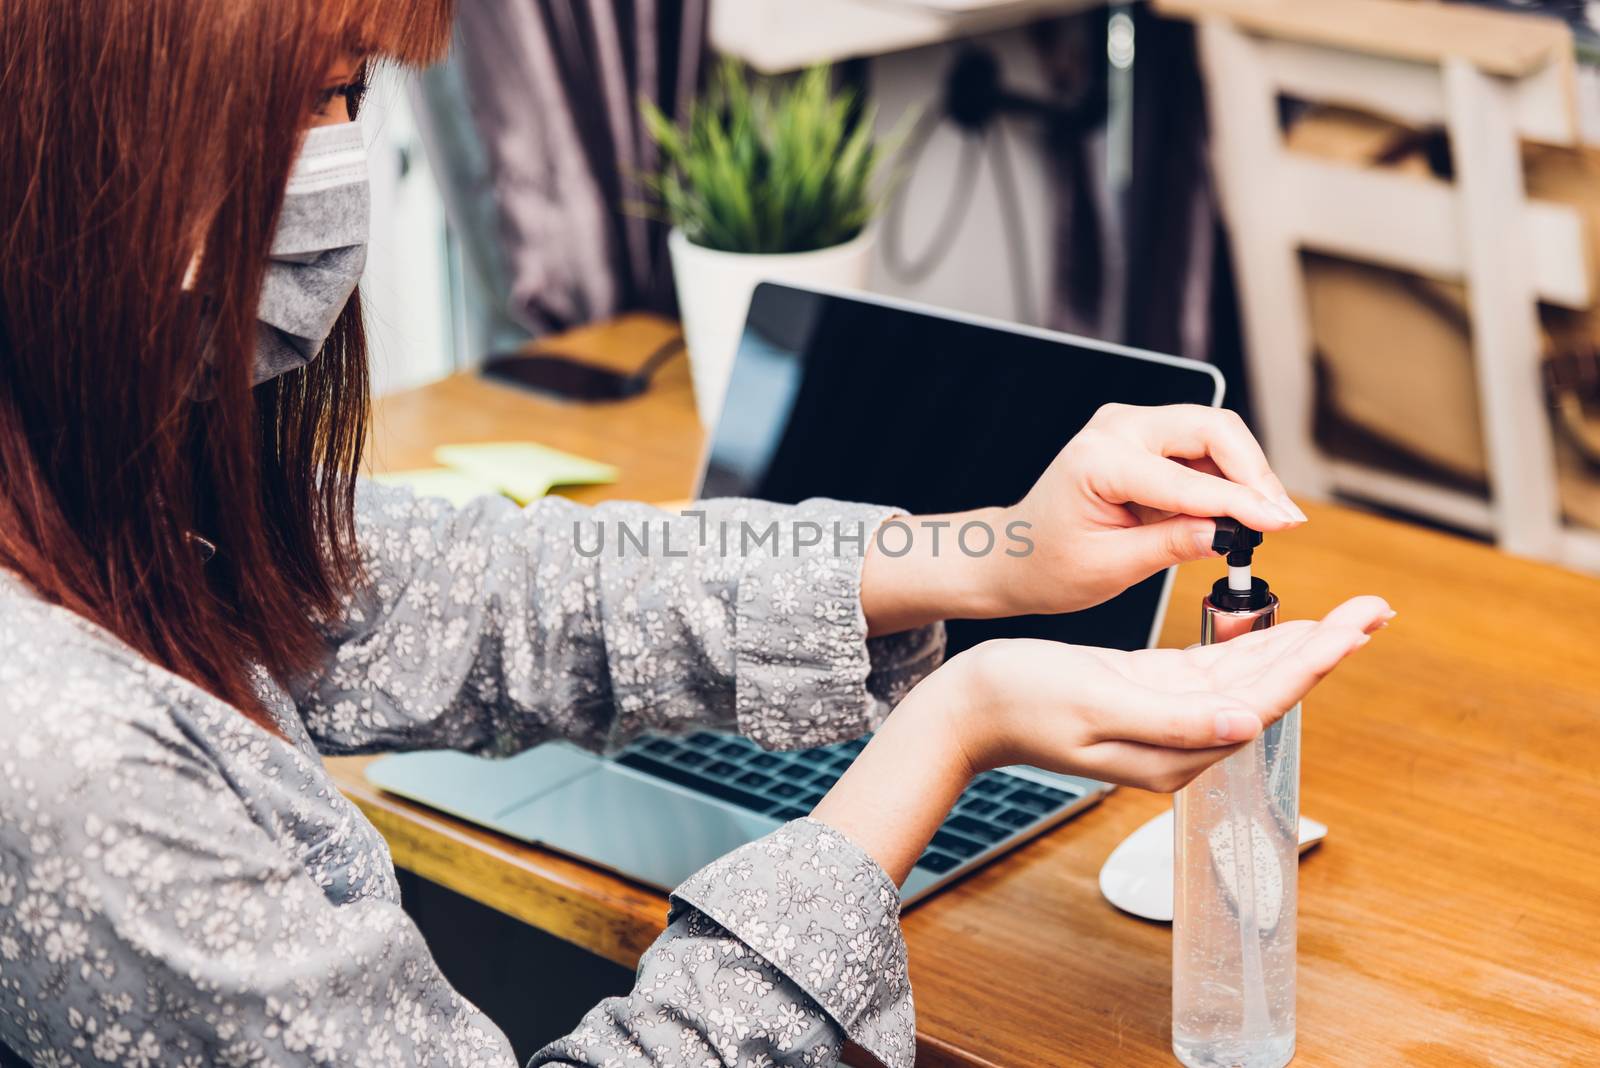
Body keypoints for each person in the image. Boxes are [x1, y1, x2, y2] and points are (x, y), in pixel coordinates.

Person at [0, 1, 1391, 1066]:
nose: (343, 156)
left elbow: (507, 597)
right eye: (317, 94)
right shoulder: (57, 752)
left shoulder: (102, 485)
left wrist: (995, 554)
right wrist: (942, 738)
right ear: (97, 117)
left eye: (356, 94)